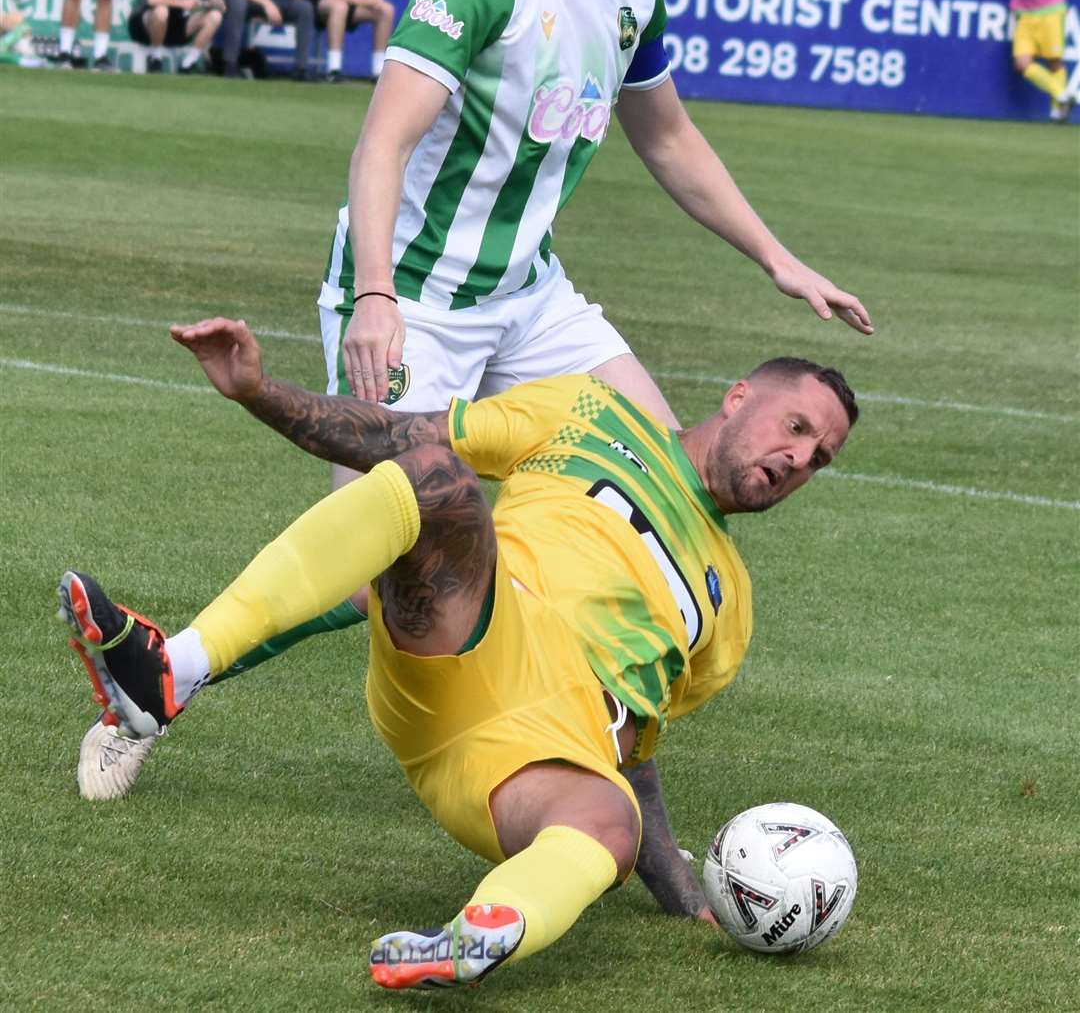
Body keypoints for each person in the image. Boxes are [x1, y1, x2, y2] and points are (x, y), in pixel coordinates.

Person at [76, 0, 873, 798]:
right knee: (382, 562)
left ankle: (591, 730)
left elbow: (669, 139)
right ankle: (160, 680)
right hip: (419, 292)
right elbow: (382, 143)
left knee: (667, 481)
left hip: (532, 295)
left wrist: (777, 259)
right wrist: (373, 298)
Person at [59, 313, 858, 990]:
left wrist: (685, 891)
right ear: (739, 396)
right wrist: (260, 392)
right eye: (796, 428)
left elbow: (636, 749)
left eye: (818, 458)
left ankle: (481, 932)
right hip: (476, 637)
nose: (798, 460)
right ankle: (172, 672)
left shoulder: (732, 603)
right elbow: (401, 434)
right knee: (436, 475)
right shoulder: (593, 413)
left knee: (607, 818)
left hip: (530, 762)